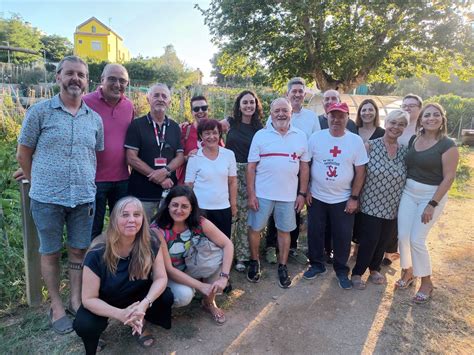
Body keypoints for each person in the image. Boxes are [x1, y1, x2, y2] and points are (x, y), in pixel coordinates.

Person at [16, 56, 104, 334]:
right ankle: (56, 306)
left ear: (87, 80)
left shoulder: (94, 119)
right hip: (47, 199)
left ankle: (76, 301)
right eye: (70, 73)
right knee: (51, 252)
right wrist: (36, 179)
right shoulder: (40, 112)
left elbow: (94, 154)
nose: (75, 79)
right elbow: (23, 153)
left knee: (79, 250)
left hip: (83, 198)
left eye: (81, 74)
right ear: (58, 77)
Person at [73, 197, 173, 354]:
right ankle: (95, 338)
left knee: (166, 296)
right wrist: (120, 314)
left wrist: (144, 304)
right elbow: (88, 299)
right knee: (85, 324)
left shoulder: (151, 241)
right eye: (125, 215)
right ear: (114, 220)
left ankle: (141, 320)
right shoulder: (97, 252)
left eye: (137, 214)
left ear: (143, 218)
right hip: (105, 298)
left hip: (137, 295)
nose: (132, 220)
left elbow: (161, 277)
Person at [396, 103, 458, 303]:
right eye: (427, 115)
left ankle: (427, 282)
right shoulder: (415, 139)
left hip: (431, 195)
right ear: (421, 119)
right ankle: (408, 271)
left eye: (436, 115)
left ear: (442, 119)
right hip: (409, 192)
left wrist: (432, 204)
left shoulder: (447, 145)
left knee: (416, 239)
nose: (431, 118)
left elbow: (448, 178)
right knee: (403, 236)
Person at [246, 97, 310, 288]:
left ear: (291, 113)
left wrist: (302, 193)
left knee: (285, 231)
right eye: (277, 111)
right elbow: (251, 167)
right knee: (255, 228)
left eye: (285, 110)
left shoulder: (300, 135)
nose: (281, 114)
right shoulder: (260, 135)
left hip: (288, 196)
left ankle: (282, 266)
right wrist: (251, 194)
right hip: (263, 194)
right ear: (271, 114)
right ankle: (254, 261)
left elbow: (304, 167)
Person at [304, 102, 368, 290]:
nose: (336, 119)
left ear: (347, 117)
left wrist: (354, 197)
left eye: (341, 116)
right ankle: (316, 264)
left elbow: (360, 171)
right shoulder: (316, 138)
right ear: (327, 116)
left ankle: (341, 269)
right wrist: (306, 189)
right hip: (317, 196)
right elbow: (306, 165)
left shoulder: (355, 141)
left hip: (343, 198)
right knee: (315, 232)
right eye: (332, 115)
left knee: (342, 235)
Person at [150, 186, 234, 325]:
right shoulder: (157, 230)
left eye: (184, 206)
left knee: (218, 255)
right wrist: (201, 286)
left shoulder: (199, 222)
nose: (179, 210)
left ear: (191, 208)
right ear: (167, 206)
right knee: (185, 295)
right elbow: (169, 269)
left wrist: (224, 277)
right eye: (175, 205)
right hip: (165, 275)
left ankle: (209, 302)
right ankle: (158, 304)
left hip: (187, 268)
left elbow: (227, 245)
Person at [351, 110, 409, 290]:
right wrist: (356, 197)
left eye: (400, 124)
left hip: (393, 204)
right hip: (370, 203)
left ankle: (375, 269)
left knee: (383, 240)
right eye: (392, 123)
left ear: (404, 128)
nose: (395, 127)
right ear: (386, 123)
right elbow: (360, 174)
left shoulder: (405, 153)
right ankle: (357, 272)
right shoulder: (370, 146)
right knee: (369, 239)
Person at [265, 77, 321, 265]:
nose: (297, 94)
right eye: (293, 91)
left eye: (300, 91)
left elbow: (315, 146)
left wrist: (309, 180)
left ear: (304, 95)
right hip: (278, 169)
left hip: (300, 169)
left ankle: (293, 248)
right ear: (287, 94)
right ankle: (271, 247)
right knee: (275, 207)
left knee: (295, 208)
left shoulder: (311, 117)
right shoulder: (276, 114)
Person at [83, 63, 134, 239]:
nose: (117, 84)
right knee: (92, 229)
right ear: (102, 80)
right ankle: (90, 264)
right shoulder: (86, 102)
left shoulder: (129, 106)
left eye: (122, 81)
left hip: (122, 179)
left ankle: (115, 263)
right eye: (112, 79)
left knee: (121, 228)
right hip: (93, 179)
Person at [124, 83, 184, 219]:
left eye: (164, 96)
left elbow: (180, 157)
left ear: (169, 101)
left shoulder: (174, 127)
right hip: (141, 193)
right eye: (156, 95)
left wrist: (165, 171)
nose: (160, 99)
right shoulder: (137, 125)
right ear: (148, 99)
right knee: (141, 232)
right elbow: (131, 158)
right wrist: (156, 177)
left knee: (165, 232)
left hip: (169, 193)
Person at [225, 90, 263, 272]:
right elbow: (209, 129)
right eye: (245, 102)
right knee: (232, 213)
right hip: (230, 173)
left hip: (251, 173)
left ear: (256, 105)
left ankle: (243, 256)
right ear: (239, 105)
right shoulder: (230, 123)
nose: (249, 106)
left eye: (251, 102)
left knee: (247, 216)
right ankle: (227, 254)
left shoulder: (260, 129)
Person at [185, 119, 237, 238]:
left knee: (223, 243)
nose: (211, 136)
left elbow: (233, 182)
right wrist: (191, 208)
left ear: (219, 134)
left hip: (223, 209)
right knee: (201, 245)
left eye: (214, 133)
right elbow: (188, 186)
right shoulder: (194, 157)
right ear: (201, 136)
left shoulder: (229, 155)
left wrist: (233, 206)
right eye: (207, 133)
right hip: (200, 210)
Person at [352, 99, 385, 255]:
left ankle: (362, 246)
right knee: (354, 208)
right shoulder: (353, 129)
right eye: (363, 110)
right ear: (359, 113)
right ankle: (355, 243)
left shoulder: (382, 133)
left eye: (370, 110)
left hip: (373, 179)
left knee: (366, 212)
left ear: (376, 112)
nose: (367, 113)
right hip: (353, 175)